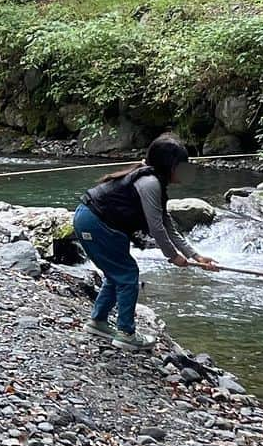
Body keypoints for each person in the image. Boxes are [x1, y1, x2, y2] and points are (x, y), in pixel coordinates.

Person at [73, 133, 218, 352]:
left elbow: (167, 224)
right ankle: (126, 334)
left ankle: (99, 322)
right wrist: (172, 256)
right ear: (170, 166)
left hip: (93, 220)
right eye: (183, 165)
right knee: (128, 275)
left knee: (117, 274)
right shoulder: (150, 183)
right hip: (96, 223)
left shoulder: (153, 182)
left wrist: (194, 255)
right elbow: (156, 228)